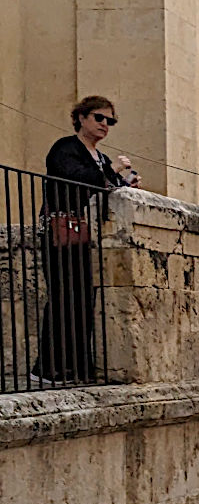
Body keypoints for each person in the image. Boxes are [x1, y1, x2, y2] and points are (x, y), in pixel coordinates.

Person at [38, 96, 140, 384]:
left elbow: (107, 187)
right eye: (99, 118)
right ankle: (49, 369)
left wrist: (126, 183)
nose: (105, 125)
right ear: (81, 117)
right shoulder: (65, 148)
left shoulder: (102, 158)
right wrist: (114, 172)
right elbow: (77, 178)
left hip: (85, 235)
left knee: (82, 299)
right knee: (62, 297)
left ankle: (76, 368)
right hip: (60, 232)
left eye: (110, 121)